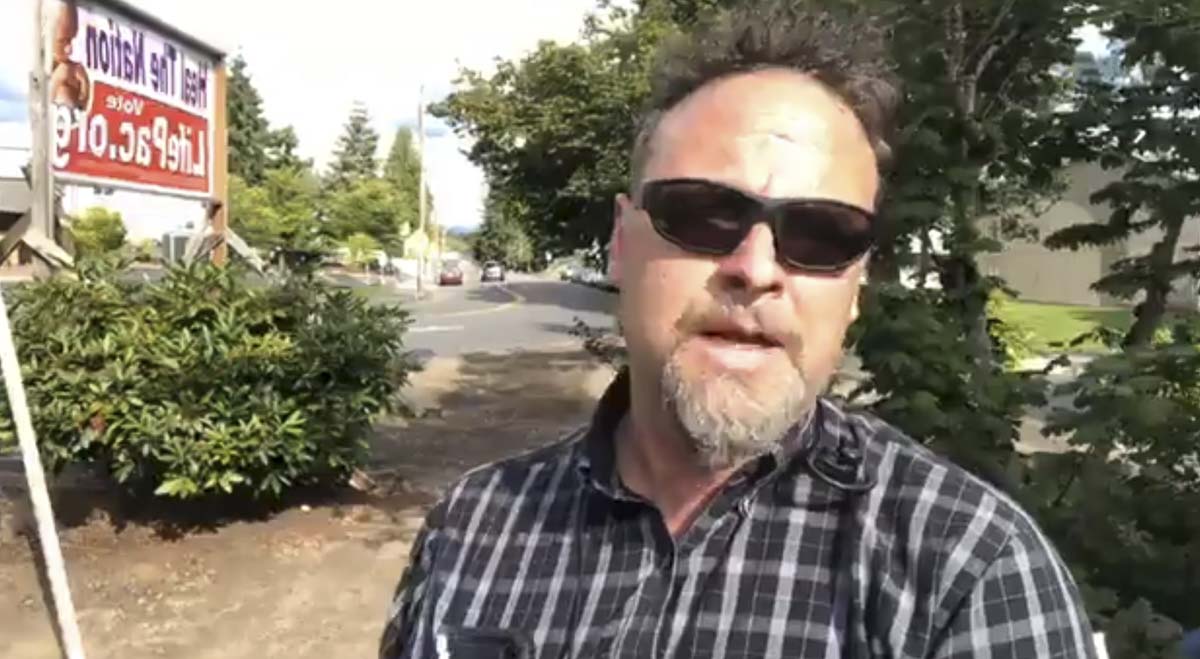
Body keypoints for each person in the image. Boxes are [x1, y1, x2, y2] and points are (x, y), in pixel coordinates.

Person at [379, 3, 1098, 657]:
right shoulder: (474, 526)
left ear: (855, 288)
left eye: (821, 233)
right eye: (704, 215)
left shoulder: (966, 570)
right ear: (620, 244)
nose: (755, 269)